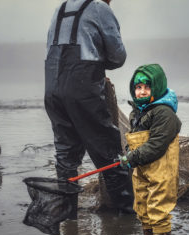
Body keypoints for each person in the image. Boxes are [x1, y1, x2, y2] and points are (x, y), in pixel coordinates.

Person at [44, 0, 133, 212]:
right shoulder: (100, 7)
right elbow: (118, 56)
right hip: (82, 90)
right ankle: (126, 220)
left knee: (66, 156)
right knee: (109, 153)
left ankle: (69, 221)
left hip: (53, 90)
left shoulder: (60, 8)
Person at [119, 64, 182, 235]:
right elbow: (134, 139)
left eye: (147, 87)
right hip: (142, 170)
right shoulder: (137, 112)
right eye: (138, 87)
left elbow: (156, 145)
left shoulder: (164, 113)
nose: (142, 91)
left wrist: (132, 157)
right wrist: (128, 153)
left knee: (158, 209)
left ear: (157, 87)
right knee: (143, 208)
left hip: (161, 171)